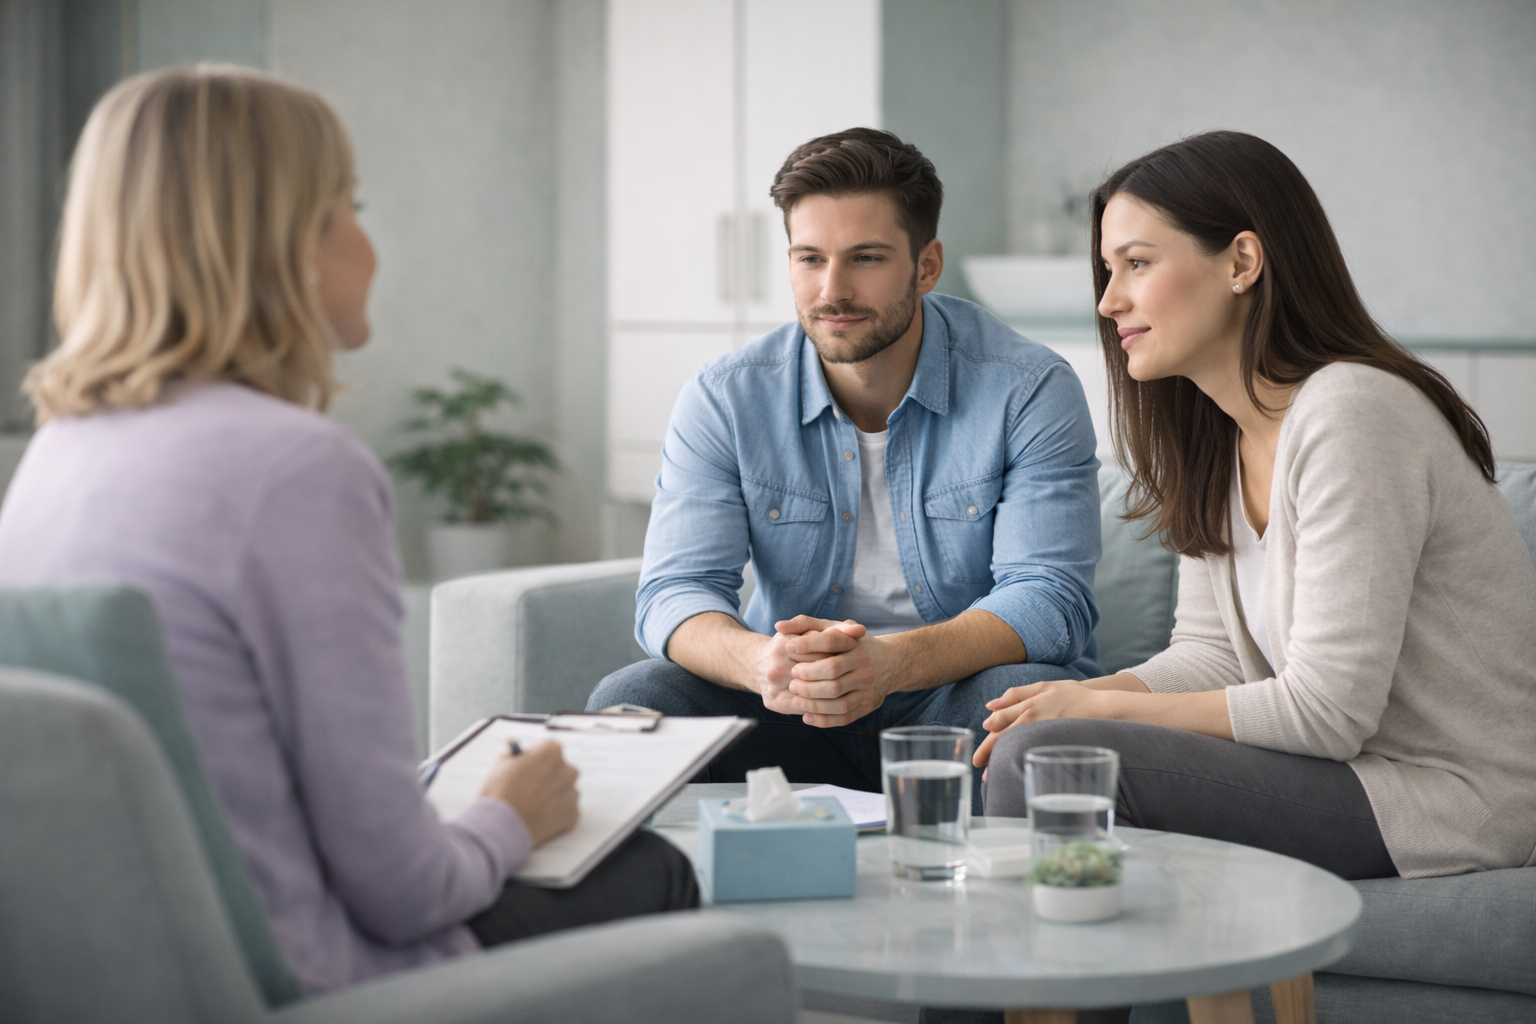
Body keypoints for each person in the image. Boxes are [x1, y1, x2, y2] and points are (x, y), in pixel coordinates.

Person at [0, 66, 696, 995]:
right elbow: (406, 892)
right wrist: (507, 816)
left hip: (142, 962)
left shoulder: (60, 451)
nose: (368, 245)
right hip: (319, 973)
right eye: (349, 206)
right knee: (653, 869)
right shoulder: (296, 471)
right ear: (281, 239)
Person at [979, 130, 1536, 881]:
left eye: (1137, 263)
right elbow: (1211, 657)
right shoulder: (1219, 435)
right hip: (1349, 777)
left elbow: (1327, 713)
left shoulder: (1353, 412)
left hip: (1446, 800)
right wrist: (1074, 694)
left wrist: (1095, 713)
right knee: (1007, 731)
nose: (1109, 301)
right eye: (1108, 271)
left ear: (1242, 262)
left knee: (1049, 756)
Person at [589, 128, 1103, 807]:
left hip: (953, 702)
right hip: (788, 707)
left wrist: (889, 664)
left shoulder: (1028, 387)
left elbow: (1050, 601)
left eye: (865, 258)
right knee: (631, 702)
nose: (832, 290)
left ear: (926, 265)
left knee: (1041, 717)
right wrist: (763, 665)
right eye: (809, 258)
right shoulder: (725, 397)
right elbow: (673, 594)